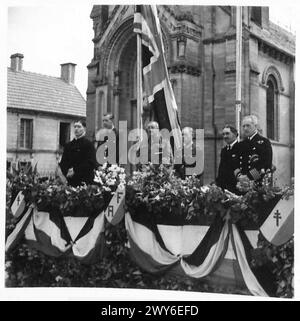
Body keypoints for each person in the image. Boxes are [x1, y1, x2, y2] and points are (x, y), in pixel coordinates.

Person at [234, 115, 273, 184]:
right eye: (243, 126)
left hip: (257, 183)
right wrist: (239, 176)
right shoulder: (241, 144)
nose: (245, 128)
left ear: (255, 126)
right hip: (241, 184)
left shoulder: (264, 142)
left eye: (248, 126)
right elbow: (235, 163)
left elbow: (265, 164)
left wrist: (248, 177)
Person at [59, 119, 97, 187]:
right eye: (75, 126)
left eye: (79, 127)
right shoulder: (68, 145)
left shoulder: (89, 144)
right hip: (71, 181)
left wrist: (75, 170)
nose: (76, 129)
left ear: (84, 128)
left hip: (85, 182)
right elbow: (63, 162)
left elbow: (91, 163)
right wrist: (67, 172)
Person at [216, 125, 240, 194]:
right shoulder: (224, 150)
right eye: (223, 134)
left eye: (227, 133)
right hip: (224, 188)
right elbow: (221, 169)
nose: (225, 136)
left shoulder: (241, 148)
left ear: (235, 134)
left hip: (236, 188)